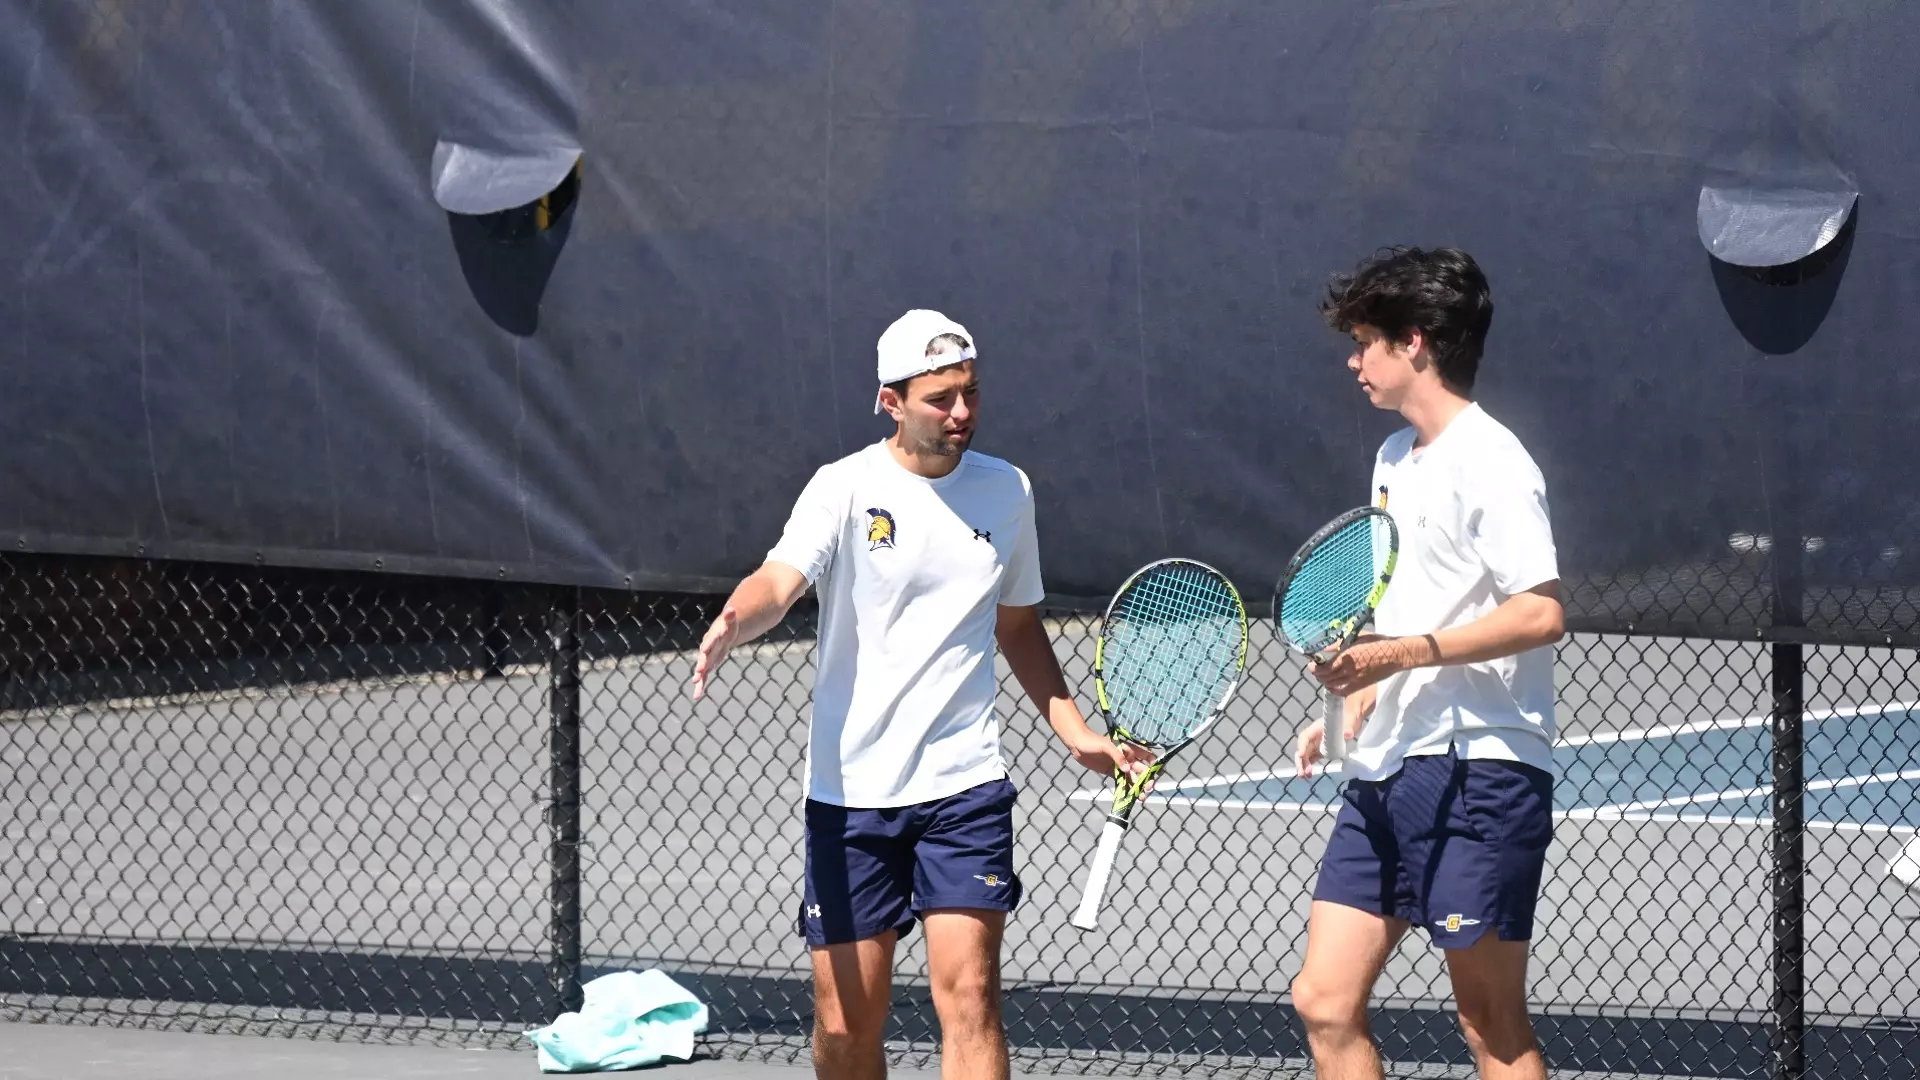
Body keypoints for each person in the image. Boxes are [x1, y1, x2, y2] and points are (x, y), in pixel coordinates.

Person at [688, 308, 1149, 1080]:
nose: (962, 411)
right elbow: (779, 580)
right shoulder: (844, 488)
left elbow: (1018, 623)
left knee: (971, 997)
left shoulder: (1007, 490)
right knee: (845, 1023)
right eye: (940, 398)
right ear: (891, 402)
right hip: (851, 796)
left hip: (963, 787)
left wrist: (1076, 732)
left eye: (971, 392)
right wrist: (737, 618)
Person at [1289, 247, 1566, 1080]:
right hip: (1386, 768)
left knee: (1488, 1024)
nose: (1353, 361)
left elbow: (1542, 611)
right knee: (1323, 999)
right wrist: (1364, 686)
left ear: (1413, 342)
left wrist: (1403, 652)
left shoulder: (1495, 461)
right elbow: (1411, 604)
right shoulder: (1391, 459)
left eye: (1364, 342)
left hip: (1479, 769)